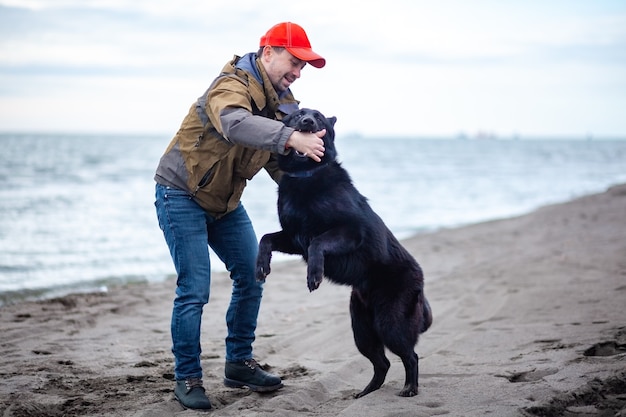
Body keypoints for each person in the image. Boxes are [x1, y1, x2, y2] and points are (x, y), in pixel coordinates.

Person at [153, 22, 326, 411]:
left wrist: (315, 198)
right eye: (295, 62)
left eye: (304, 67)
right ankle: (188, 378)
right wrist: (291, 138)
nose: (298, 73)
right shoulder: (230, 85)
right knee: (195, 289)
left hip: (225, 202)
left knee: (252, 274)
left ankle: (238, 363)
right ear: (268, 52)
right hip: (180, 193)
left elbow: (281, 165)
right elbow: (235, 123)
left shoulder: (285, 104)